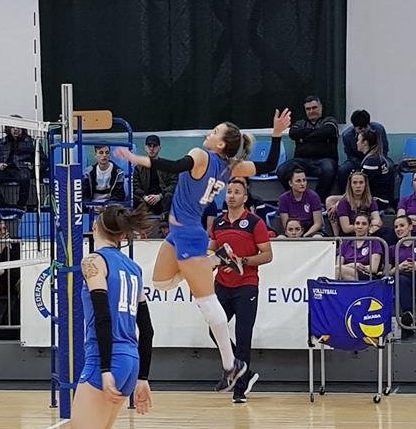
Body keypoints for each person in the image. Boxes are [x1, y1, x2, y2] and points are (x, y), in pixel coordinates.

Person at [115, 107, 291, 392]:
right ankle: (217, 260)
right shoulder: (229, 167)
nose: (210, 132)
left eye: (215, 131)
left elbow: (173, 166)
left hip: (189, 234)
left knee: (207, 303)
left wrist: (135, 158)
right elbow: (270, 164)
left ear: (220, 144)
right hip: (178, 234)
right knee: (161, 283)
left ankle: (232, 365)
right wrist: (277, 135)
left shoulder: (201, 155)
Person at [69, 204, 172, 429]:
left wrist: (105, 367)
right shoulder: (132, 267)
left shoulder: (93, 262)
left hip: (107, 357)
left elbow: (102, 316)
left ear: (97, 225)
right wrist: (143, 376)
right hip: (130, 358)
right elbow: (148, 328)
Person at [207, 177, 273, 403]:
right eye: (229, 192)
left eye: (237, 192)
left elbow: (267, 255)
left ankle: (239, 389)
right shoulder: (218, 222)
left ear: (245, 198)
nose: (232, 195)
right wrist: (213, 261)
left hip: (246, 285)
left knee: (243, 336)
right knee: (214, 330)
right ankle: (243, 370)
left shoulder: (254, 222)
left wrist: (243, 261)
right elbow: (211, 251)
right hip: (222, 285)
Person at [276, 95, 339, 199]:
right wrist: (319, 136)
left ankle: (317, 200)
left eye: (314, 108)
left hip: (325, 160)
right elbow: (293, 133)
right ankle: (297, 198)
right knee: (282, 170)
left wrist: (304, 137)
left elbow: (328, 131)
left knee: (329, 169)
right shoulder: (301, 123)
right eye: (308, 109)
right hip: (302, 162)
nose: (311, 111)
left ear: (321, 107)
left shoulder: (329, 120)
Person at [0, 117, 36, 210]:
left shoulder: (31, 142)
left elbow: (43, 161)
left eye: (18, 127)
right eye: (13, 127)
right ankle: (2, 205)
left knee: (25, 177)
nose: (16, 129)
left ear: (23, 128)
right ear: (8, 129)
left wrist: (33, 165)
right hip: (5, 170)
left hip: (22, 169)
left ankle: (21, 205)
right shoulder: (2, 142)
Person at [326, 170, 385, 238]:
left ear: (365, 185)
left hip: (367, 235)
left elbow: (378, 221)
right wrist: (367, 226)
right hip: (349, 237)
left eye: (361, 182)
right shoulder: (343, 203)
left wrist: (370, 230)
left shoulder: (370, 201)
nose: (358, 186)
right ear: (350, 185)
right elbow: (346, 229)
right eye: (355, 183)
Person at [132, 134, 177, 216]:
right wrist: (145, 197)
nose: (152, 149)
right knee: (136, 198)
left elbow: (173, 184)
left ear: (159, 148)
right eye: (149, 146)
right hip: (145, 199)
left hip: (162, 199)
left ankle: (164, 221)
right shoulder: (138, 168)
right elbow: (136, 186)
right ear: (145, 148)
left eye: (155, 146)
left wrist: (160, 196)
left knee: (169, 196)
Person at [278, 167, 324, 237]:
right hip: (292, 231)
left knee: (318, 237)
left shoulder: (313, 196)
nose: (302, 184)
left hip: (311, 232)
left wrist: (304, 236)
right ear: (290, 183)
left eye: (304, 180)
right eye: (298, 181)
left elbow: (318, 224)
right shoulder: (283, 199)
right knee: (280, 238)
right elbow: (286, 225)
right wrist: (295, 234)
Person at [336, 214, 382, 281]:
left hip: (366, 276)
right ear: (354, 226)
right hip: (345, 272)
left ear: (369, 226)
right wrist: (353, 265)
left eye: (364, 224)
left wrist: (358, 268)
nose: (360, 226)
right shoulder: (345, 243)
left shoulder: (374, 242)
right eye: (357, 223)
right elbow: (338, 265)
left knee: (340, 270)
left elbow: (373, 268)